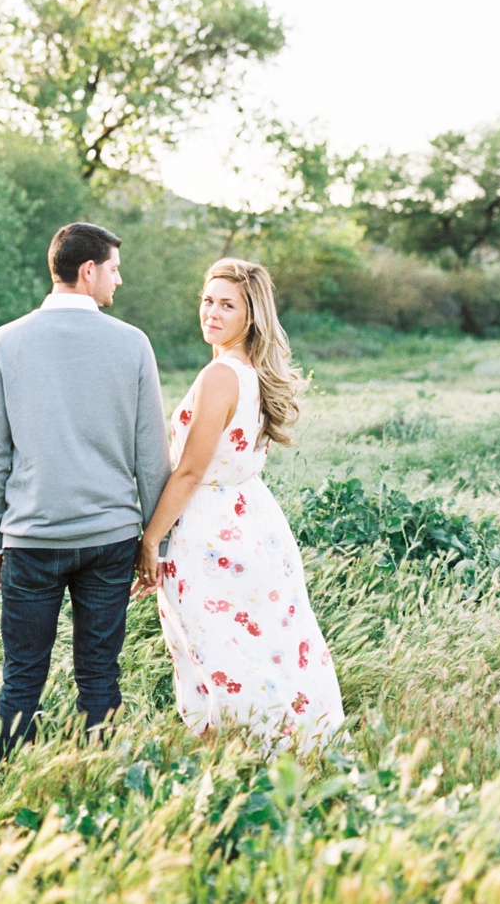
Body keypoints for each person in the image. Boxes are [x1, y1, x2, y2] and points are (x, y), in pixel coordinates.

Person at [0, 222, 171, 762]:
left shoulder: (6, 341)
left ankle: (10, 778)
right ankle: (101, 776)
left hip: (31, 541)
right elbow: (151, 457)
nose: (119, 280)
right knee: (100, 674)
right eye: (114, 268)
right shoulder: (132, 344)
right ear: (88, 272)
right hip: (110, 543)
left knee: (22, 676)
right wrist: (157, 543)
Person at [134, 258, 344, 752]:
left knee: (219, 651)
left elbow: (189, 471)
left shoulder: (222, 376)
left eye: (227, 304)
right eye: (208, 300)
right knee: (266, 647)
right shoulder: (252, 372)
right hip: (255, 522)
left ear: (251, 316)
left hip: (210, 531)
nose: (212, 312)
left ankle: (245, 752)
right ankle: (292, 746)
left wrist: (149, 539)